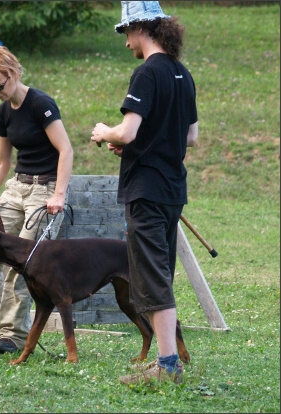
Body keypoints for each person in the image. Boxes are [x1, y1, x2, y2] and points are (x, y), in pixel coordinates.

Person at [91, 1, 198, 385]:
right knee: (160, 275)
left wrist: (107, 132)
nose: (126, 43)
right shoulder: (182, 74)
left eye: (126, 33)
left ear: (141, 27)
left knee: (152, 278)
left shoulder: (146, 73)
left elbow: (128, 130)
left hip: (146, 191)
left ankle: (168, 367)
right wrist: (139, 144)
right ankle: (164, 359)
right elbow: (190, 136)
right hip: (172, 191)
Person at [0, 45, 74, 354]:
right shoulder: (4, 112)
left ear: (11, 74)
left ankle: (12, 335)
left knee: (22, 260)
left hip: (45, 189)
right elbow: (1, 162)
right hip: (17, 187)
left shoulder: (41, 105)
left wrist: (59, 194)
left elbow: (66, 150)